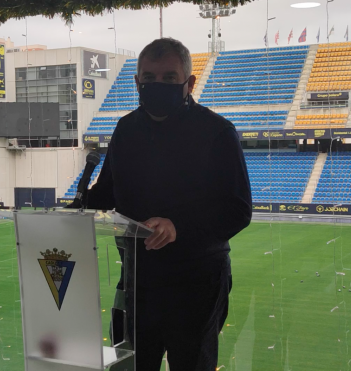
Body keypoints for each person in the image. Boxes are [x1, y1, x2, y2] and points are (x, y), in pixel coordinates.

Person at [83, 38, 252, 370]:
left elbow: (238, 210)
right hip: (136, 280)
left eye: (169, 78)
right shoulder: (125, 129)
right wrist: (71, 210)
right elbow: (105, 194)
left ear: (189, 83)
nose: (156, 85)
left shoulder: (217, 132)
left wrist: (179, 227)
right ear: (137, 82)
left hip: (197, 284)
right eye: (148, 78)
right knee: (128, 366)